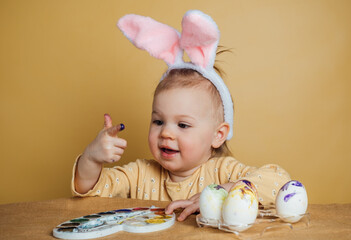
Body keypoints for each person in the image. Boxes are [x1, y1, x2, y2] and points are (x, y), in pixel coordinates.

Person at [72, 10, 291, 222]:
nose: (166, 132)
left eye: (183, 125)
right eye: (158, 121)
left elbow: (280, 182)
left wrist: (222, 192)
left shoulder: (223, 173)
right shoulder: (140, 174)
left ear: (218, 135)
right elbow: (89, 190)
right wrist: (91, 158)